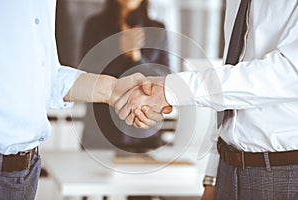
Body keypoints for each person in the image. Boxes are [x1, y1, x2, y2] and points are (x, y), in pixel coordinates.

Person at [115, 1, 298, 199]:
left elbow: (289, 74)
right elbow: (229, 93)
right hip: (228, 169)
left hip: (283, 172)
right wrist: (213, 175)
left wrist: (172, 89)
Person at [0, 1, 161, 199]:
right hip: (96, 134)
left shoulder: (157, 29)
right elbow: (88, 63)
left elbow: (49, 78)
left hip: (23, 171)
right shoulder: (95, 24)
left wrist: (115, 86)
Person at [80, 0, 170, 152]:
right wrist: (121, 52)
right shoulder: (95, 25)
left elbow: (165, 77)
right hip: (100, 131)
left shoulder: (157, 29)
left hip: (144, 133)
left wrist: (136, 56)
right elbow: (86, 74)